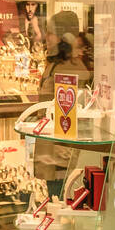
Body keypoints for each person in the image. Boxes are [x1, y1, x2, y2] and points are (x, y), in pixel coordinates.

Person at [33, 32, 91, 198]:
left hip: (60, 150)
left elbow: (69, 109)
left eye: (51, 33)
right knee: (54, 194)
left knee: (60, 195)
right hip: (50, 145)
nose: (47, 38)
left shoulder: (69, 67)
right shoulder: (53, 65)